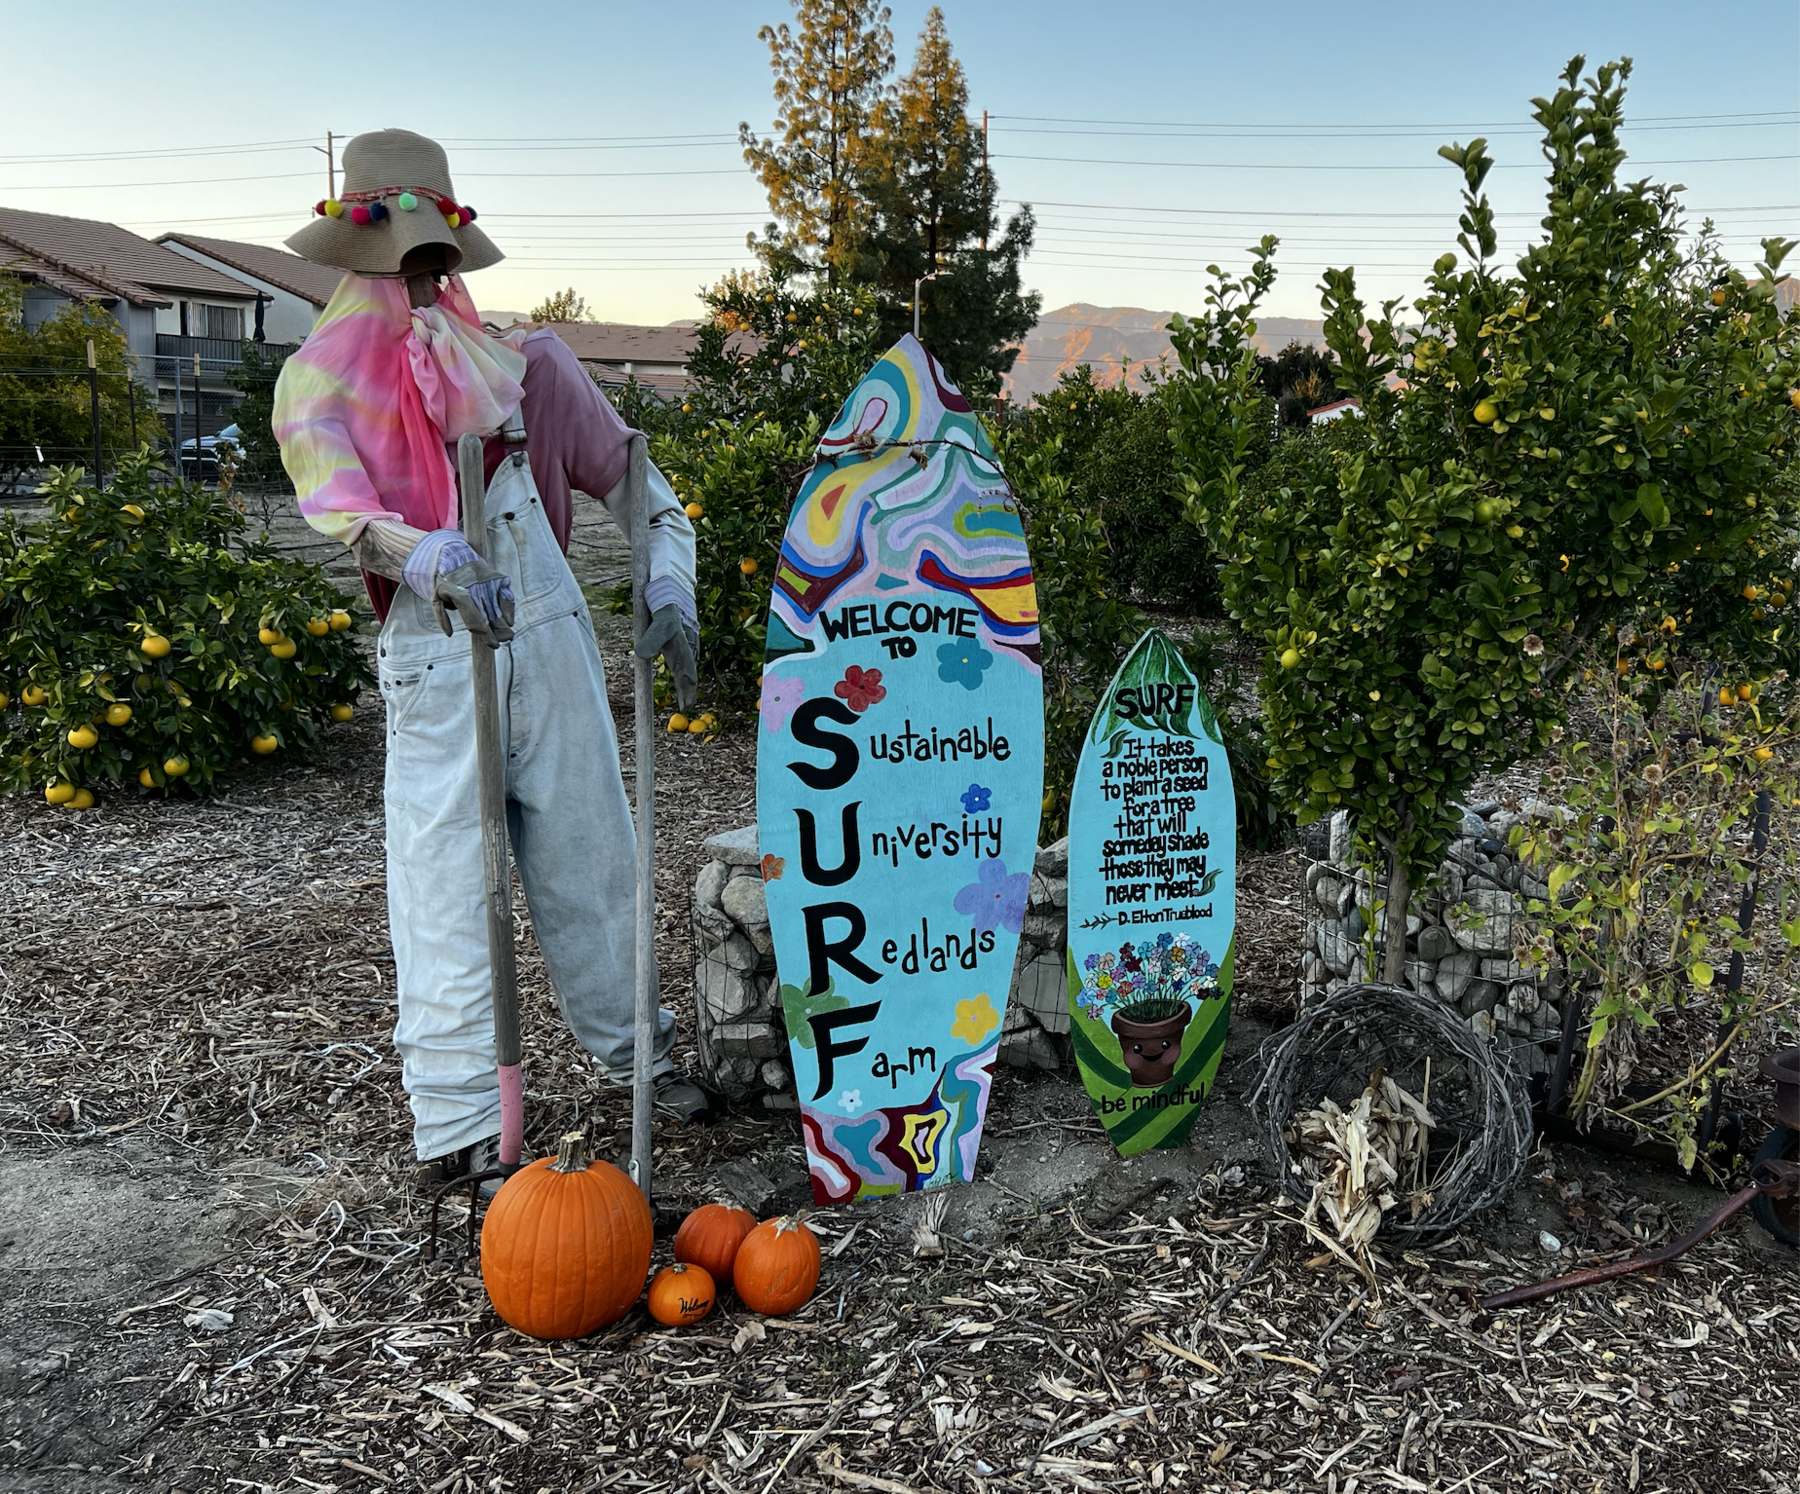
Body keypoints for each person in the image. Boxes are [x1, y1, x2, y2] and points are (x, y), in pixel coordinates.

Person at [272, 128, 711, 1188]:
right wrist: (425, 553)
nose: (421, 286)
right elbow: (342, 512)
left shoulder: (533, 370)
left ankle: (637, 1055)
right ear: (357, 264)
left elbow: (643, 493)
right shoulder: (319, 384)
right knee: (443, 881)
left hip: (547, 634)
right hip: (435, 650)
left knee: (594, 857)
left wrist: (668, 581)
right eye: (399, 267)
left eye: (435, 264)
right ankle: (465, 1116)